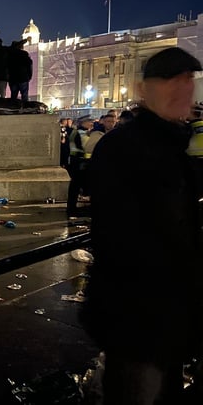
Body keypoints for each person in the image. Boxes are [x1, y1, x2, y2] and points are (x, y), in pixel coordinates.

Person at [80, 47, 203, 404]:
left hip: (171, 316)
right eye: (171, 81)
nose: (183, 90)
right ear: (143, 89)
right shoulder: (123, 148)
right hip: (139, 320)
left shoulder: (175, 146)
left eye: (188, 81)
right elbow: (119, 239)